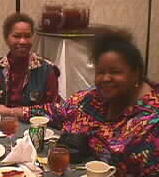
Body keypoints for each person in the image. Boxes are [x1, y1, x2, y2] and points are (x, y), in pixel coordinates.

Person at [10, 28, 159, 176]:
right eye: (100, 72)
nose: (106, 78)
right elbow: (58, 111)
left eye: (115, 72)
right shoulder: (93, 97)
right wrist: (10, 111)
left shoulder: (151, 124)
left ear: (136, 73)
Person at [0, 12, 61, 117]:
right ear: (6, 39)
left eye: (27, 36)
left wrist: (10, 112)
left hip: (35, 128)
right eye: (17, 36)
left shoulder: (46, 69)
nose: (23, 41)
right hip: (1, 126)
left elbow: (54, 111)